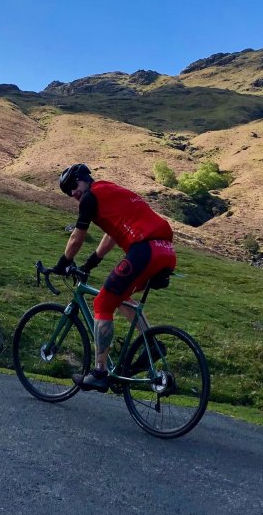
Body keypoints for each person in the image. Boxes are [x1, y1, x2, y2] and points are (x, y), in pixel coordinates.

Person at [49, 163, 175, 392]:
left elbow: (77, 237)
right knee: (122, 297)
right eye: (67, 192)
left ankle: (99, 371)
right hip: (165, 250)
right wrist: (92, 261)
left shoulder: (90, 199)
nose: (73, 194)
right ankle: (152, 344)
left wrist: (62, 264)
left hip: (144, 249)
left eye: (73, 186)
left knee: (102, 302)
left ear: (84, 178)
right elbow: (112, 233)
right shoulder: (111, 190)